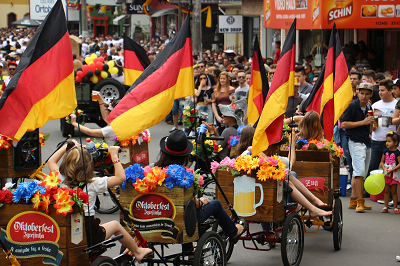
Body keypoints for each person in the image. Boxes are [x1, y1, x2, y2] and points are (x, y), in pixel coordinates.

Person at [47, 141, 152, 261]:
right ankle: (137, 251)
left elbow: (51, 161)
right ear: (88, 165)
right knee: (116, 225)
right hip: (89, 233)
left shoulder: (60, 178)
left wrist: (68, 146)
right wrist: (114, 156)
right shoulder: (93, 183)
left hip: (68, 230)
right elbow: (121, 178)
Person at [154, 130, 246, 244]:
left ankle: (190, 251)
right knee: (215, 204)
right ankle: (233, 232)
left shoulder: (153, 173)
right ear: (185, 155)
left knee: (182, 212)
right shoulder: (185, 176)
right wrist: (201, 201)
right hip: (182, 219)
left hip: (156, 216)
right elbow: (193, 204)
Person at [236, 127, 332, 218]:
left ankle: (313, 203)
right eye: (278, 145)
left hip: (250, 190)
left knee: (288, 175)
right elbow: (290, 163)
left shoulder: (244, 154)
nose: (279, 148)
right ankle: (312, 204)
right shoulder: (255, 153)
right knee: (288, 177)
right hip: (256, 192)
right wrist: (292, 144)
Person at [342, 82, 375, 213]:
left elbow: (369, 125)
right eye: (362, 93)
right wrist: (363, 122)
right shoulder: (352, 105)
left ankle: (354, 200)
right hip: (355, 141)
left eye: (367, 94)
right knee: (360, 172)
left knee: (360, 173)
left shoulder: (368, 107)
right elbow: (343, 124)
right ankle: (360, 202)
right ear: (357, 93)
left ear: (371, 95)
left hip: (365, 140)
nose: (364, 96)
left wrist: (371, 127)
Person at [368, 79, 396, 185]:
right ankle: (369, 188)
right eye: (379, 90)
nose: (380, 92)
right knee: (372, 166)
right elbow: (372, 120)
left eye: (383, 90)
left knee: (389, 168)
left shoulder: (396, 105)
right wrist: (372, 128)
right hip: (375, 140)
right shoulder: (375, 105)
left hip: (390, 143)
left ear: (390, 91)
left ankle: (388, 189)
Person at [380, 132, 400, 213]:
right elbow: (382, 161)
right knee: (387, 190)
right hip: (387, 173)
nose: (387, 143)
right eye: (386, 141)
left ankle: (395, 207)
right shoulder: (385, 151)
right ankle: (385, 206)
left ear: (395, 143)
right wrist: (384, 169)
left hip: (394, 173)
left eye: (389, 141)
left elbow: (399, 163)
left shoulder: (398, 152)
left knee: (394, 191)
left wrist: (392, 170)